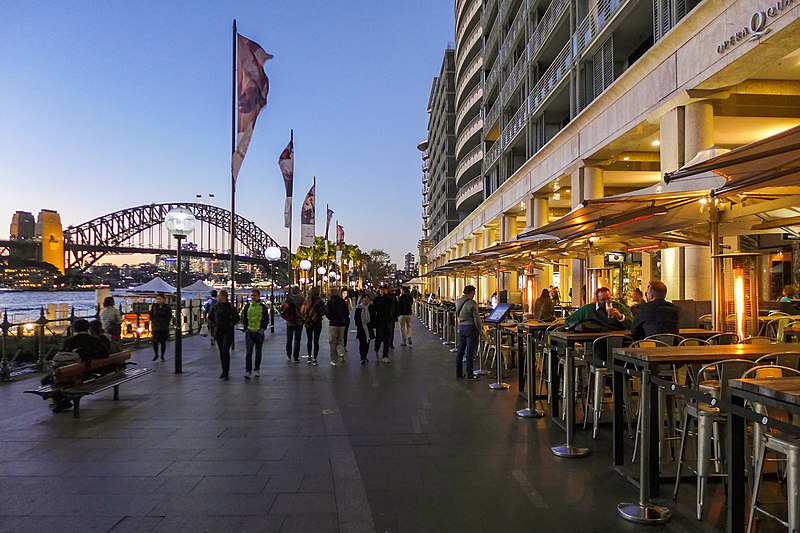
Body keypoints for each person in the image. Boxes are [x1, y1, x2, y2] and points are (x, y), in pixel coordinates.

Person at [46, 318, 111, 412]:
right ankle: (63, 401)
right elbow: (105, 354)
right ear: (88, 328)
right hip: (90, 371)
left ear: (73, 329)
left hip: (73, 373)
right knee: (63, 377)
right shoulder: (94, 340)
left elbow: (61, 355)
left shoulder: (69, 340)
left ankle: (61, 401)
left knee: (46, 380)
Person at [565, 286, 632, 331]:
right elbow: (569, 320)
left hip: (619, 339)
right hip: (595, 340)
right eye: (602, 300)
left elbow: (633, 323)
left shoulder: (618, 306)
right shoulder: (588, 309)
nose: (607, 302)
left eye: (609, 298)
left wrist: (620, 317)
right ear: (596, 300)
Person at [207, 290, 239, 380]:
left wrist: (231, 324)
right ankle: (223, 370)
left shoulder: (230, 307)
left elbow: (236, 317)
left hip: (228, 331)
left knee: (225, 350)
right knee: (221, 351)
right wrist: (214, 325)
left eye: (220, 296)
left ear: (224, 297)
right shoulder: (216, 307)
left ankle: (226, 371)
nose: (218, 297)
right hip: (219, 331)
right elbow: (210, 317)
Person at [455, 285, 482, 380]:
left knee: (460, 351)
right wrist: (480, 330)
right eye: (474, 293)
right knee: (470, 352)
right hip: (471, 328)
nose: (474, 295)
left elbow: (457, 315)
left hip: (462, 327)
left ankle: (459, 372)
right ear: (470, 292)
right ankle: (470, 373)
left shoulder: (457, 301)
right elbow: (477, 319)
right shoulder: (472, 303)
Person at [242, 289, 270, 378]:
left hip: (259, 332)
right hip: (249, 331)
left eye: (254, 295)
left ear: (258, 296)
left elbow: (266, 319)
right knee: (249, 352)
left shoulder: (262, 307)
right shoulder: (247, 306)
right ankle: (248, 370)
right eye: (252, 295)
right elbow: (244, 318)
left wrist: (263, 328)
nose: (253, 297)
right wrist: (245, 327)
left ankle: (257, 368)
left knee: (258, 351)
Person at [325, 288, 350, 366]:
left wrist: (331, 318)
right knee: (340, 340)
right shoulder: (342, 301)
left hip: (333, 324)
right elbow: (347, 312)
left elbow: (327, 313)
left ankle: (334, 359)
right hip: (342, 324)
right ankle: (341, 353)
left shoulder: (330, 302)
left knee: (332, 342)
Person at [301, 287, 325, 365]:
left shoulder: (307, 301)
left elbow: (302, 311)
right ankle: (315, 358)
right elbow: (323, 311)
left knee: (309, 340)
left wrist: (306, 317)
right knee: (316, 340)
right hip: (317, 322)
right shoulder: (319, 301)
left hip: (308, 322)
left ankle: (309, 357)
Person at [371, 285, 395, 363]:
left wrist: (386, 296)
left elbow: (392, 304)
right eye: (381, 290)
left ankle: (385, 355)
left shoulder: (390, 298)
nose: (382, 291)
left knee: (386, 339)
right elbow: (373, 310)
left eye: (384, 290)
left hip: (387, 321)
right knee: (379, 338)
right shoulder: (377, 299)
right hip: (379, 321)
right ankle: (376, 349)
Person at [282, 285, 305, 362]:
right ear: (298, 291)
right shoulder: (302, 299)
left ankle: (288, 354)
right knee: (297, 340)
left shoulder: (288, 299)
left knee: (289, 339)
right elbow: (304, 309)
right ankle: (296, 356)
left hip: (290, 321)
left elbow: (284, 309)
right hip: (299, 321)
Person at [149, 293, 173, 362]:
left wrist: (166, 322)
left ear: (164, 299)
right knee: (155, 341)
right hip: (156, 326)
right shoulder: (154, 306)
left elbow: (169, 316)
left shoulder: (167, 307)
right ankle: (156, 354)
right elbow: (151, 314)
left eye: (160, 299)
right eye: (157, 299)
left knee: (163, 342)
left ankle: (162, 355)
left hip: (163, 326)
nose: (158, 300)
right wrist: (153, 321)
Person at [354, 293, 373, 364]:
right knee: (362, 342)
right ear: (362, 299)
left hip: (368, 327)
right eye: (365, 298)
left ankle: (365, 355)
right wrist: (358, 325)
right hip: (361, 327)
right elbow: (356, 318)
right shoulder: (359, 308)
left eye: (368, 299)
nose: (366, 300)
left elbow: (373, 316)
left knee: (368, 342)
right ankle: (362, 356)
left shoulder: (371, 307)